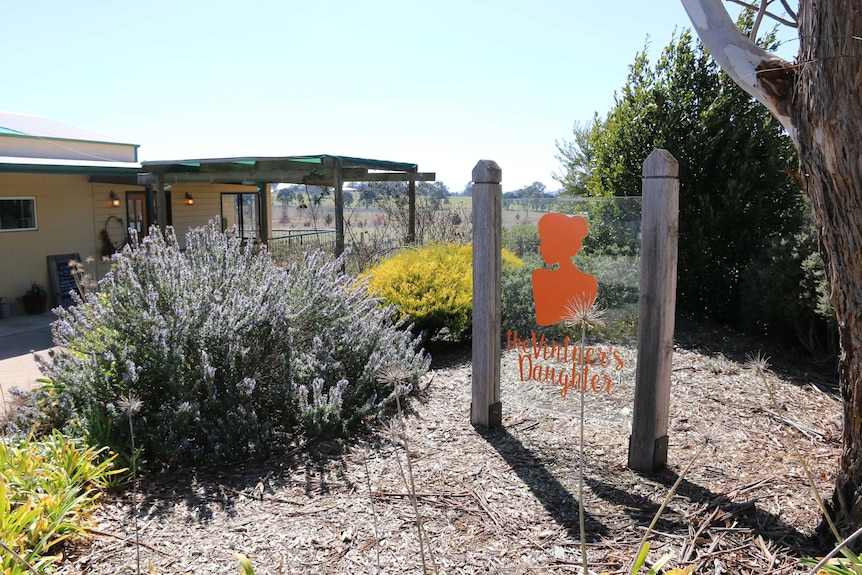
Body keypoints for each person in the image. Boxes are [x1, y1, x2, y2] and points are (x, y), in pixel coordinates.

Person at [531, 213, 598, 326]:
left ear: (557, 245)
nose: (540, 249)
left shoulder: (541, 278)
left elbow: (544, 319)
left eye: (544, 242)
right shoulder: (589, 283)